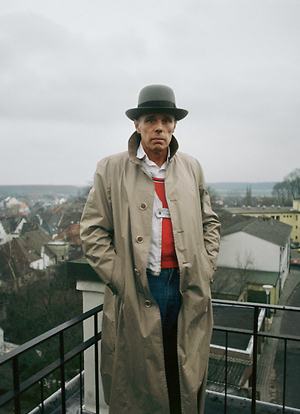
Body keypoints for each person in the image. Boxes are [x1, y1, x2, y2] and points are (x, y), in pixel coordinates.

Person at [80, 84, 221, 413]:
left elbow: (210, 223)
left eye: (167, 120)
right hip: (140, 287)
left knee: (181, 367)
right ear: (137, 125)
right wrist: (120, 277)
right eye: (152, 120)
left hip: (186, 286)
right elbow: (92, 230)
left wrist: (206, 266)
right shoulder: (111, 169)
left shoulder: (191, 168)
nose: (160, 127)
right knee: (140, 377)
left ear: (174, 126)